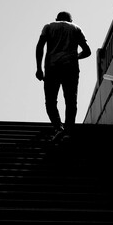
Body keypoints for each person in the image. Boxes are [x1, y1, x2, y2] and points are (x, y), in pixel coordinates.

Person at [36, 11, 91, 141]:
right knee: (71, 101)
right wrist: (75, 56)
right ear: (70, 20)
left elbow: (40, 46)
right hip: (70, 68)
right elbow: (87, 51)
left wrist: (38, 68)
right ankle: (68, 132)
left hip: (52, 67)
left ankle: (58, 128)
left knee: (50, 101)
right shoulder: (76, 28)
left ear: (56, 18)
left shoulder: (49, 26)